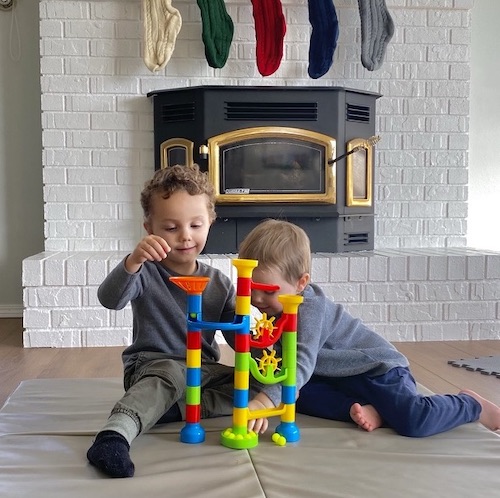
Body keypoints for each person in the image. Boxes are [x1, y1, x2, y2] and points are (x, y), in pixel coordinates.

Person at [238, 219, 500, 437]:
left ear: (300, 283)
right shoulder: (271, 309)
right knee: (297, 397)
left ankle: (471, 404)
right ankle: (374, 410)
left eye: (267, 292)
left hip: (376, 370)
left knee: (414, 420)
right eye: (251, 290)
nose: (257, 300)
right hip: (336, 377)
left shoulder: (309, 307)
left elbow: (301, 361)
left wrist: (265, 401)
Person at [87, 164, 243, 478]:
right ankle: (114, 435)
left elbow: (238, 340)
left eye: (196, 225)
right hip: (152, 365)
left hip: (202, 372)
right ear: (150, 228)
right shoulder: (145, 271)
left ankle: (170, 410)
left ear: (210, 222)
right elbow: (110, 299)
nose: (186, 236)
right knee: (171, 373)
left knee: (247, 382)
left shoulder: (221, 283)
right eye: (171, 227)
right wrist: (133, 262)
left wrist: (257, 322)